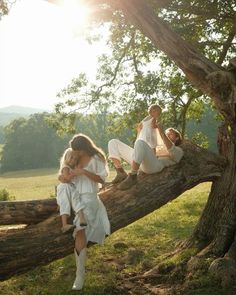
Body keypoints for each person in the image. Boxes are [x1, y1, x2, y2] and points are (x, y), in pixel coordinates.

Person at [68, 134, 110, 291]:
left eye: (77, 150)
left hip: (88, 197)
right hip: (74, 195)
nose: (75, 153)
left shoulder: (96, 157)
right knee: (79, 230)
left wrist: (84, 172)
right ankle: (80, 273)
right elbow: (67, 172)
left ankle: (80, 275)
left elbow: (102, 179)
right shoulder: (75, 157)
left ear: (83, 148)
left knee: (80, 230)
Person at [108, 124, 183, 190]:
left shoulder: (178, 150)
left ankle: (133, 176)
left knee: (140, 143)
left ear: (177, 138)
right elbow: (138, 147)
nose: (167, 135)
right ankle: (121, 172)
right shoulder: (158, 145)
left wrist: (162, 133)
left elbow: (171, 148)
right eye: (167, 133)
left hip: (154, 166)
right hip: (140, 162)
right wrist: (139, 131)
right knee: (113, 142)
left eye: (170, 134)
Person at [56, 148, 87, 233]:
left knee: (76, 200)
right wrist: (74, 173)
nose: (73, 160)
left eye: (75, 159)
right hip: (65, 188)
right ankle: (64, 225)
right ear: (66, 157)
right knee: (65, 203)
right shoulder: (65, 167)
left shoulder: (72, 168)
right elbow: (66, 179)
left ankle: (82, 219)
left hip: (71, 188)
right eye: (71, 157)